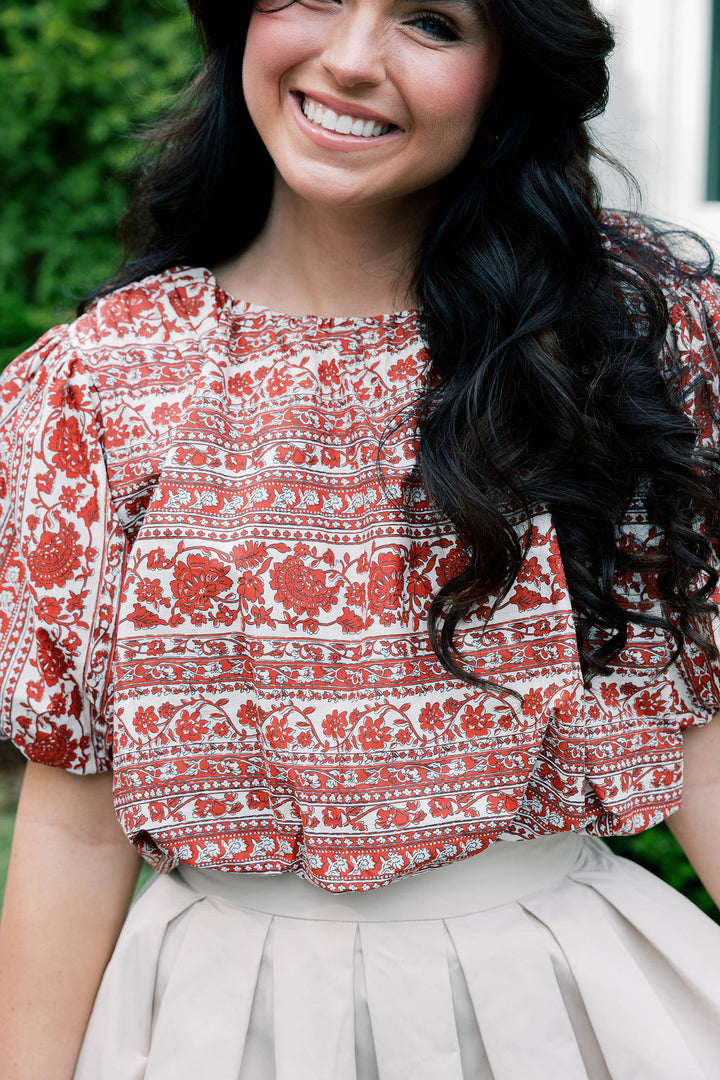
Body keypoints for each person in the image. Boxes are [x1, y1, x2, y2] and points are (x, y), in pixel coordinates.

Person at [1, 0, 720, 1076]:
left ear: (508, 69)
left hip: (553, 1010)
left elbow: (702, 722)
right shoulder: (104, 383)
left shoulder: (621, 349)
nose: (349, 60)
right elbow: (75, 819)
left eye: (431, 22)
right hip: (212, 1021)